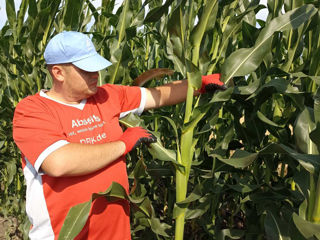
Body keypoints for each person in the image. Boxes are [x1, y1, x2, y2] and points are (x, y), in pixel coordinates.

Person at [12, 31, 226, 240]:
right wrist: (122, 144)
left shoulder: (107, 96)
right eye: (86, 70)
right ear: (58, 73)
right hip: (63, 235)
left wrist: (198, 85)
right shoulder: (32, 110)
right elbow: (58, 162)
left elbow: (156, 96)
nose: (95, 74)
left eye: (96, 67)